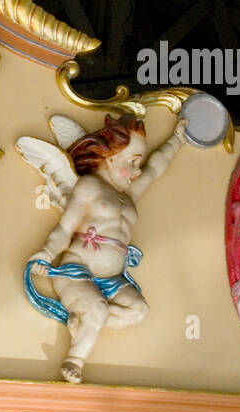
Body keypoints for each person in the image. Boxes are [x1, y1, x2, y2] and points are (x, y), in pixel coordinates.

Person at [27, 114, 185, 383]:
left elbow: (155, 168)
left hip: (112, 279)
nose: (137, 171)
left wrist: (178, 139)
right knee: (99, 308)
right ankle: (75, 359)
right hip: (76, 270)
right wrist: (46, 253)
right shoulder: (90, 187)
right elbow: (65, 229)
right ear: (110, 157)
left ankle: (83, 318)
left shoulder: (130, 195)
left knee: (138, 310)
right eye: (132, 162)